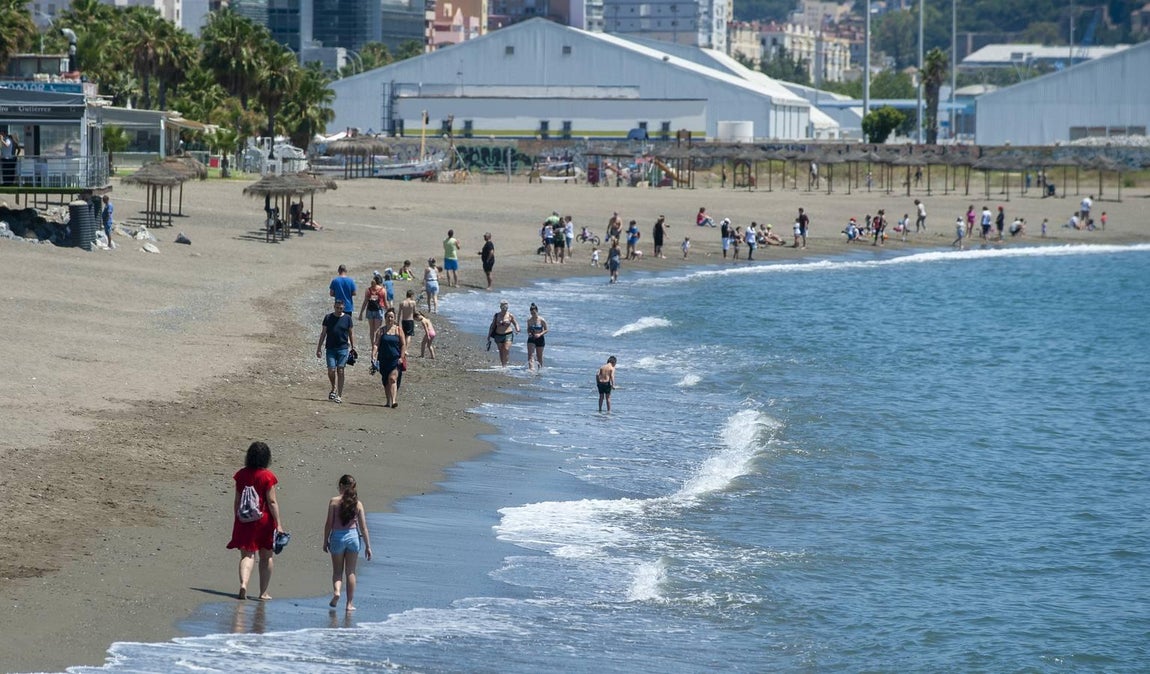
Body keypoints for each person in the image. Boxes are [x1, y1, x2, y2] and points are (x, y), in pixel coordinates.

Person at [227, 441, 284, 601]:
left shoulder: (241, 474)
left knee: (247, 555)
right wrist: (278, 524)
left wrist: (237, 518)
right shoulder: (268, 476)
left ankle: (244, 583)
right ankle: (263, 592)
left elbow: (237, 499)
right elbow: (272, 502)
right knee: (266, 556)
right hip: (263, 520)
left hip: (244, 520)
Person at [323, 474, 372, 612]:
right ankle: (349, 604)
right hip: (353, 538)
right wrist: (368, 546)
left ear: (341, 487)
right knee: (350, 572)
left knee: (337, 571)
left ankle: (337, 592)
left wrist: (325, 541)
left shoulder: (334, 501)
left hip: (337, 538)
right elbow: (363, 527)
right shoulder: (358, 503)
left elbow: (328, 524)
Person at [317, 299, 355, 404]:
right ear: (334, 307)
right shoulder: (328, 317)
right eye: (337, 308)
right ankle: (333, 387)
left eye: (341, 308)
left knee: (341, 370)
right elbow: (323, 333)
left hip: (343, 348)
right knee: (331, 370)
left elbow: (351, 333)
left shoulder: (347, 318)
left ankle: (339, 395)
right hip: (330, 348)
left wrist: (353, 347)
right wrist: (319, 348)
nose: (339, 310)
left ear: (344, 308)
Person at [372, 307, 405, 408]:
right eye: (388, 317)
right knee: (386, 381)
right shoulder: (381, 331)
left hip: (395, 359)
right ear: (385, 318)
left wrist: (402, 357)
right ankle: (388, 401)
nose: (390, 319)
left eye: (391, 317)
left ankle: (394, 401)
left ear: (394, 318)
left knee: (392, 379)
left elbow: (403, 344)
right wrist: (373, 355)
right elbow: (376, 344)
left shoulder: (399, 330)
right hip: (383, 359)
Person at [358, 273, 388, 365]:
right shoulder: (383, 290)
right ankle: (376, 345)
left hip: (370, 311)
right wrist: (390, 311)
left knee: (371, 330)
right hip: (378, 311)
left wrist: (361, 313)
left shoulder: (369, 290)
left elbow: (365, 301)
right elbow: (385, 303)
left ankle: (373, 346)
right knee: (377, 330)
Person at [488, 300, 520, 367]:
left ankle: (505, 364)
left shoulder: (510, 315)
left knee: (506, 349)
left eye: (506, 305)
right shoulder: (497, 315)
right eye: (503, 305)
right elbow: (492, 325)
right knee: (501, 350)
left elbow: (515, 323)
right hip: (498, 335)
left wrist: (517, 329)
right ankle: (503, 365)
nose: (505, 307)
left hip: (508, 334)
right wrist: (489, 335)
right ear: (500, 307)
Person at [525, 303, 548, 370]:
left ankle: (539, 370)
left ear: (537, 311)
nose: (533, 315)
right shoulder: (529, 320)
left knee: (539, 356)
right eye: (531, 313)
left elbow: (546, 330)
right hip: (531, 338)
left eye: (534, 313)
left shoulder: (542, 320)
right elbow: (528, 329)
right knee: (530, 355)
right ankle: (531, 369)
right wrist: (529, 333)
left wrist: (540, 334)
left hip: (540, 338)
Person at [398, 289, 417, 356]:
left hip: (404, 320)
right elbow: (415, 312)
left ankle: (403, 348)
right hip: (410, 320)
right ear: (411, 295)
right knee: (408, 336)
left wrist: (398, 322)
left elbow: (399, 313)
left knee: (404, 335)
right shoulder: (413, 303)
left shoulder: (402, 303)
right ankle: (405, 349)